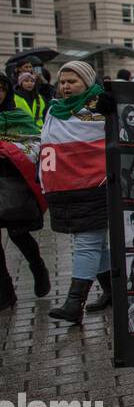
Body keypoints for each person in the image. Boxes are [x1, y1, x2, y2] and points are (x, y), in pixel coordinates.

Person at [40, 62, 110, 327]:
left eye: (73, 81)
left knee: (87, 243)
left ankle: (74, 303)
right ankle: (113, 291)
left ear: (88, 82)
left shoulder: (101, 109)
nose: (66, 87)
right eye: (63, 82)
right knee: (97, 244)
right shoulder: (55, 110)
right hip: (68, 188)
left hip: (95, 186)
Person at [0, 74, 50, 310]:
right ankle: (6, 292)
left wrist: (10, 151)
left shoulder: (17, 115)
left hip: (13, 181)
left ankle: (37, 266)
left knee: (18, 233)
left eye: (1, 89)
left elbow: (35, 144)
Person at [8, 54, 51, 130]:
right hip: (22, 132)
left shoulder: (39, 96)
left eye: (32, 81)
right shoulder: (14, 94)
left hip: (39, 131)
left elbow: (46, 110)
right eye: (26, 81)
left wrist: (43, 81)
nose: (29, 83)